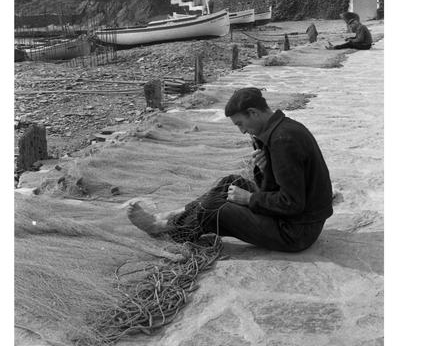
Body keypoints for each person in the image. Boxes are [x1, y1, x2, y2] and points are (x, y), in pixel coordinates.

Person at [127, 87, 333, 252]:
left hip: (295, 232)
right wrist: (265, 169)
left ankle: (167, 229)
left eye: (241, 124)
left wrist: (248, 199)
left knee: (212, 208)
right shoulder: (281, 129)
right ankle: (172, 217)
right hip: (299, 220)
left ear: (253, 112)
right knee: (231, 182)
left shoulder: (282, 140)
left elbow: (292, 203)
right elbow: (274, 188)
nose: (242, 131)